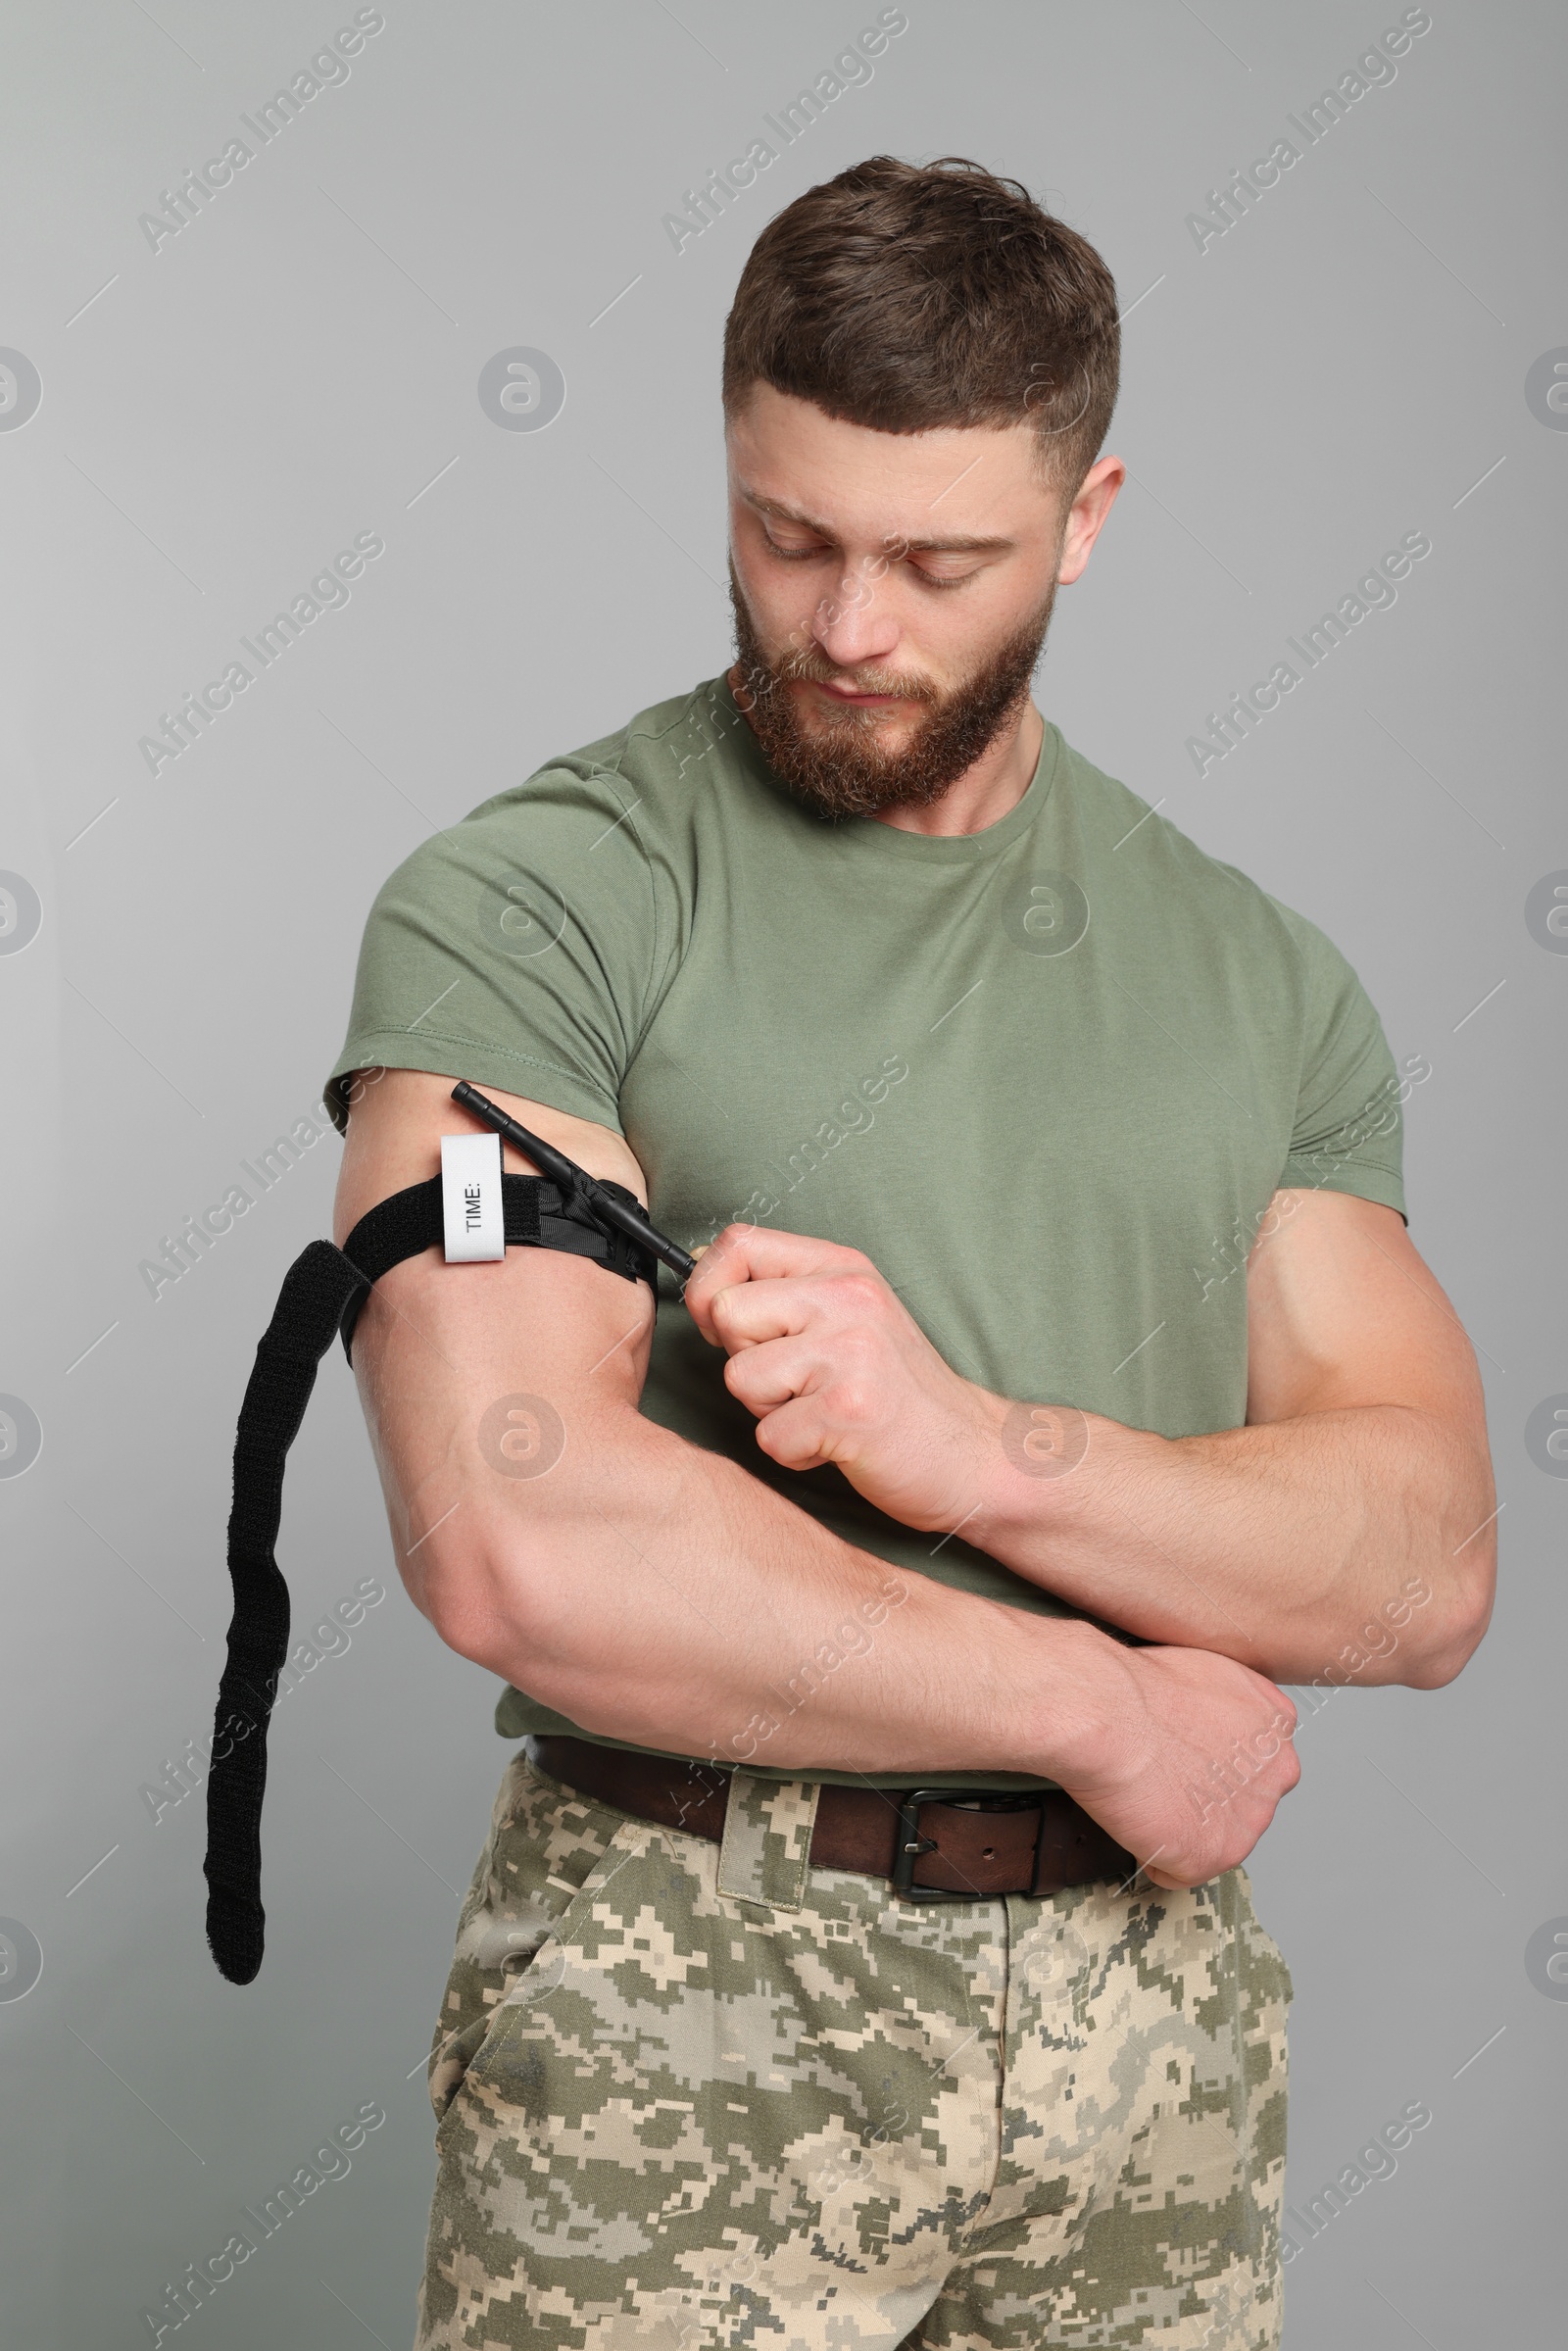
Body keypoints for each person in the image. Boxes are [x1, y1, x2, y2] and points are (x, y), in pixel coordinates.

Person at [323, 155, 1494, 2351]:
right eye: (789, 536)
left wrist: (984, 1457)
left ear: (1086, 515)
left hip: (1148, 2040)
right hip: (693, 2006)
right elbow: (516, 1534)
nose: (849, 629)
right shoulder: (538, 904)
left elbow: (1420, 1556)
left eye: (937, 560)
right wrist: (1089, 1704)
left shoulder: (1253, 977)